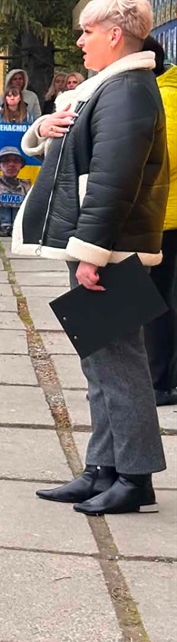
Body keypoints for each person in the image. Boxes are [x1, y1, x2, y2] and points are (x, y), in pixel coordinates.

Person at [18, 0, 167, 515]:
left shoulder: (127, 90)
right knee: (100, 362)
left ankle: (136, 477)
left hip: (110, 249)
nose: (80, 41)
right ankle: (103, 467)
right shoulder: (107, 87)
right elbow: (75, 147)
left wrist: (92, 253)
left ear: (115, 34)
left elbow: (113, 182)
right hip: (96, 244)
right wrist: (43, 127)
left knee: (120, 364)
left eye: (87, 31)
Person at [144, 39, 177, 407]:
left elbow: (162, 157)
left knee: (153, 302)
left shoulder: (164, 97)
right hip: (154, 213)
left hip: (160, 216)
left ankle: (156, 382)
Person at [0, 147, 30, 236]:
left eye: (16, 161)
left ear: (21, 165)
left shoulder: (26, 185)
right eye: (6, 161)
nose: (11, 164)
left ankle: (16, 227)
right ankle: (5, 226)